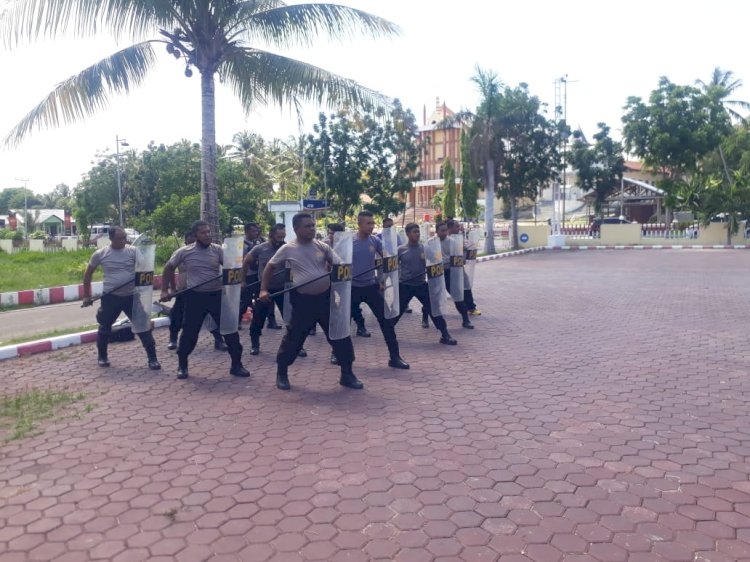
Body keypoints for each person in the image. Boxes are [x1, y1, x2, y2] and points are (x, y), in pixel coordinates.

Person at [259, 212, 362, 391]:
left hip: (325, 299)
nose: (312, 229)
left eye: (313, 225)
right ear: (296, 229)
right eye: (307, 226)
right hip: (303, 302)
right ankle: (281, 373)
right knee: (293, 339)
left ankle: (347, 374)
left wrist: (344, 269)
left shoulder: (322, 246)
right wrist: (263, 289)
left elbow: (339, 266)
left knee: (340, 336)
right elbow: (270, 267)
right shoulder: (288, 249)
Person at [160, 221, 249, 380]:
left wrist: (239, 281)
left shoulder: (218, 250)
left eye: (209, 232)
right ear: (195, 236)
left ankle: (237, 365)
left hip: (217, 296)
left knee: (230, 332)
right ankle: (182, 365)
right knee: (189, 333)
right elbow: (168, 268)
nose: (208, 235)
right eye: (203, 233)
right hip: (195, 297)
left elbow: (232, 268)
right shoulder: (184, 252)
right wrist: (165, 290)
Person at [82, 226, 161, 370]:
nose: (124, 240)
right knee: (104, 328)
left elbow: (144, 270)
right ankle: (102, 357)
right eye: (120, 238)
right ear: (111, 239)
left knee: (143, 327)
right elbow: (88, 274)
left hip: (132, 296)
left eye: (125, 237)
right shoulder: (100, 254)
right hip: (111, 297)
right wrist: (86, 295)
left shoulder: (133, 251)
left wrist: (148, 282)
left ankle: (152, 359)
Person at [350, 211, 409, 369]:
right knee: (342, 324)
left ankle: (394, 358)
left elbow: (387, 257)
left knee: (386, 322)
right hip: (352, 288)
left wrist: (389, 260)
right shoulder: (350, 241)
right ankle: (336, 354)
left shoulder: (374, 240)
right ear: (359, 224)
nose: (371, 226)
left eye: (372, 223)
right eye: (368, 223)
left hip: (370, 286)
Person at [243, 224, 307, 357]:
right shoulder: (260, 248)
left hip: (284, 289)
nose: (281, 239)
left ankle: (297, 346)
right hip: (264, 290)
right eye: (279, 236)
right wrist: (242, 280)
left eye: (283, 236)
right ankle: (255, 345)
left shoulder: (288, 248)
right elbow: (246, 261)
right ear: (271, 235)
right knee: (258, 319)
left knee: (292, 319)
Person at [396, 223, 457, 345]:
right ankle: (388, 332)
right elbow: (392, 268)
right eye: (414, 232)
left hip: (421, 285)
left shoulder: (425, 248)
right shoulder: (400, 250)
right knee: (397, 312)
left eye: (418, 232)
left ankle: (445, 335)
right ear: (407, 234)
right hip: (405, 285)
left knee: (434, 310)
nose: (417, 234)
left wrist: (439, 261)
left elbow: (436, 261)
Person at [166, 231, 228, 352]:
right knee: (177, 315)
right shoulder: (181, 253)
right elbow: (169, 269)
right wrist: (172, 289)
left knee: (212, 317)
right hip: (184, 291)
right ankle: (173, 339)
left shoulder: (212, 252)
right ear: (185, 242)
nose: (192, 244)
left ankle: (219, 340)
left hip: (204, 292)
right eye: (190, 242)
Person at [239, 223, 281, 330]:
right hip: (248, 275)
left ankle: (271, 321)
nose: (256, 233)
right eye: (253, 231)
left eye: (256, 231)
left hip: (258, 276)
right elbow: (242, 261)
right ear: (246, 232)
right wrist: (242, 279)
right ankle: (237, 320)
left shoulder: (259, 242)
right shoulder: (241, 244)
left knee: (266, 297)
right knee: (246, 300)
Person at [435, 220, 474, 329]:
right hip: (437, 273)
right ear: (436, 231)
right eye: (441, 230)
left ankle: (465, 320)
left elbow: (459, 256)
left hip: (450, 273)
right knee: (433, 296)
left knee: (457, 296)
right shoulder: (432, 242)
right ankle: (425, 318)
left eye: (445, 230)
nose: (444, 232)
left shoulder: (453, 242)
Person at [448, 219, 481, 316]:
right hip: (447, 270)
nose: (459, 228)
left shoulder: (458, 238)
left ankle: (471, 308)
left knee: (466, 285)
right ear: (450, 228)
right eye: (457, 226)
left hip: (458, 268)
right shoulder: (446, 240)